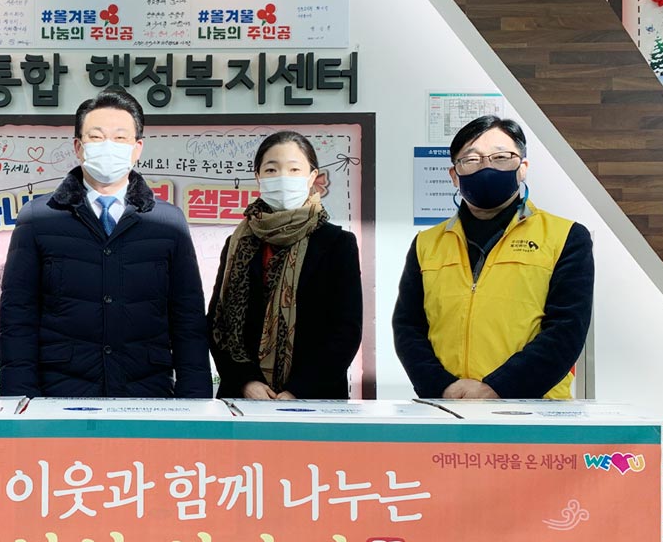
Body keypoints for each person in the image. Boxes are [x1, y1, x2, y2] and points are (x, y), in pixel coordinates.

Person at [0, 88, 210, 398]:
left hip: (147, 392)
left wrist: (195, 400)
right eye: (96, 137)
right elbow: (18, 316)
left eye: (120, 138)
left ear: (137, 148)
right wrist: (21, 400)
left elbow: (188, 319)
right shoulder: (38, 218)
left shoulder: (169, 222)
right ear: (78, 146)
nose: (108, 146)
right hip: (60, 392)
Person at [392, 116, 593, 399]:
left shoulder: (566, 237)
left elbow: (567, 330)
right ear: (454, 175)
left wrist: (498, 388)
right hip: (448, 405)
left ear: (522, 168)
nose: (486, 167)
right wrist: (442, 387)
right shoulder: (427, 243)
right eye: (471, 159)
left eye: (501, 157)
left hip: (534, 409)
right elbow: (408, 327)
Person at [208, 131, 362, 400]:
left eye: (294, 169)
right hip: (244, 397)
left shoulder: (337, 244)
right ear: (258, 176)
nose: (282, 177)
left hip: (315, 400)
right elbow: (217, 322)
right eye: (271, 169)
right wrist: (246, 382)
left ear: (312, 177)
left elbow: (345, 330)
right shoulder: (237, 243)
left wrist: (297, 390)